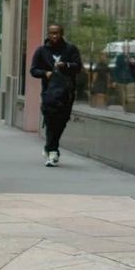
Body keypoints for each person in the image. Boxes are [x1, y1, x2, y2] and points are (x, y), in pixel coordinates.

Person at [29, 24, 82, 166]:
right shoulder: (42, 51)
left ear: (62, 33)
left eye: (57, 33)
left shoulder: (70, 49)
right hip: (49, 93)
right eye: (51, 33)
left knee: (62, 121)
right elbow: (33, 70)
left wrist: (66, 65)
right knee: (51, 119)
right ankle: (53, 152)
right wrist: (45, 73)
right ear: (48, 34)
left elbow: (78, 67)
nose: (54, 36)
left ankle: (49, 147)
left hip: (67, 93)